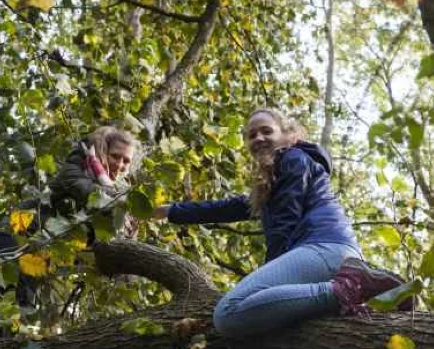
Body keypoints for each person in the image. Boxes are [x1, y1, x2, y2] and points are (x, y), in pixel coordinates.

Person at [152, 108, 412, 338]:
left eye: (266, 131)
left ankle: (350, 288)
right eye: (251, 135)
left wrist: (272, 278)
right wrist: (166, 211)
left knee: (229, 313)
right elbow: (222, 208)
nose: (258, 139)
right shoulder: (271, 183)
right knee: (253, 316)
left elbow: (286, 220)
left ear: (287, 134)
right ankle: (360, 294)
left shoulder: (293, 159)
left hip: (323, 248)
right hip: (330, 254)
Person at [0, 126, 138, 309]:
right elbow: (94, 196)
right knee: (10, 295)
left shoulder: (119, 190)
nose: (120, 165)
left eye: (126, 161)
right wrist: (118, 197)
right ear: (102, 151)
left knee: (24, 305)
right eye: (115, 156)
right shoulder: (76, 167)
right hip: (17, 233)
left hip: (43, 247)